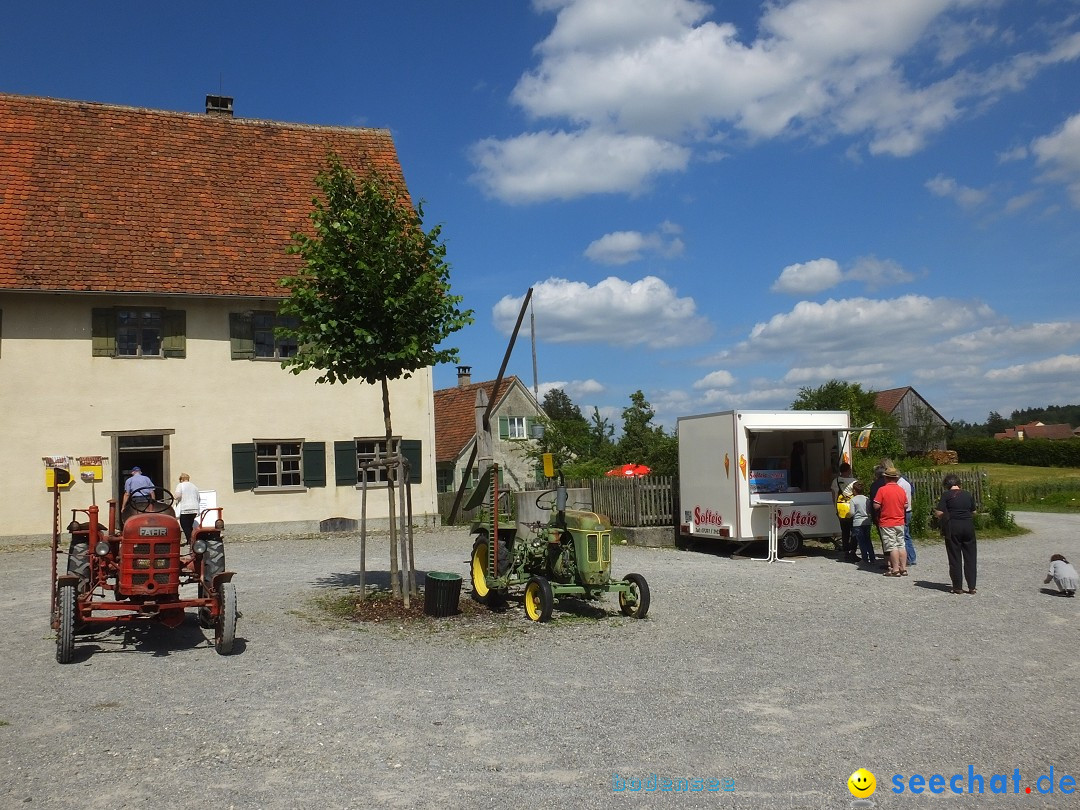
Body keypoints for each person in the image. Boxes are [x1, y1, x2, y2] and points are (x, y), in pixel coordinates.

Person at [934, 473, 977, 595]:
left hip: (953, 527)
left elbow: (939, 512)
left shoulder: (946, 495)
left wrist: (944, 516)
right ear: (959, 484)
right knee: (970, 556)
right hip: (968, 526)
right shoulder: (967, 494)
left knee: (955, 556)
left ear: (947, 485)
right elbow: (973, 511)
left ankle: (957, 586)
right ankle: (972, 586)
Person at [881, 457, 916, 565]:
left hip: (901, 511)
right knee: (905, 536)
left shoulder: (898, 484)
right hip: (907, 509)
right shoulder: (905, 480)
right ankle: (910, 558)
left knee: (901, 539)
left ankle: (907, 560)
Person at [874, 466, 908, 577]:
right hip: (900, 521)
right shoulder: (901, 490)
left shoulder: (882, 490)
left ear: (886, 478)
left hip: (887, 521)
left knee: (892, 546)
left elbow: (876, 505)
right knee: (901, 545)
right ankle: (903, 568)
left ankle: (895, 569)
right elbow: (906, 505)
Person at [831, 463, 858, 561]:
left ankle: (846, 551)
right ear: (848, 470)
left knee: (845, 532)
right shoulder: (854, 481)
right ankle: (853, 551)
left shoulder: (835, 481)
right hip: (852, 508)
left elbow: (833, 495)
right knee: (854, 531)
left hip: (841, 508)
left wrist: (836, 509)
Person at [849, 481, 875, 565]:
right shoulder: (867, 499)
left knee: (861, 541)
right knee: (868, 540)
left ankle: (864, 558)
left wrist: (847, 515)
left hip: (858, 522)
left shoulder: (853, 500)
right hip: (867, 521)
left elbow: (852, 513)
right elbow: (870, 510)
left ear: (854, 490)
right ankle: (872, 557)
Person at [175, 473, 201, 543]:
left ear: (181, 479)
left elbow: (177, 496)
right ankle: (193, 539)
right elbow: (199, 498)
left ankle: (190, 540)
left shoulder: (180, 485)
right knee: (190, 525)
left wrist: (175, 498)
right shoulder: (194, 486)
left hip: (185, 508)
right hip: (195, 508)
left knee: (185, 526)